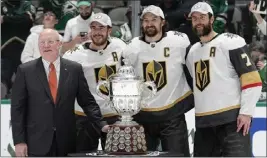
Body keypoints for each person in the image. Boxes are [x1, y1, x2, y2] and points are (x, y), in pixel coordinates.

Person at [11, 29, 106, 157]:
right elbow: (17, 109)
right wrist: (19, 142)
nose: (45, 45)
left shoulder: (74, 69)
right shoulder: (25, 71)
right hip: (35, 143)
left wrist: (102, 125)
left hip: (66, 142)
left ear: (59, 44)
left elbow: (87, 102)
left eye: (50, 42)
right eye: (42, 42)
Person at [185, 2, 262, 156]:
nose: (198, 21)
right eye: (194, 18)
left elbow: (252, 80)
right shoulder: (192, 52)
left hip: (232, 122)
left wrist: (246, 112)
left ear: (211, 19)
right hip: (203, 124)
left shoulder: (230, 42)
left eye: (202, 17)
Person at [122, 5, 194, 156]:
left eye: (154, 20)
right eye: (146, 20)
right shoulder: (132, 47)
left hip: (172, 115)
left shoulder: (179, 41)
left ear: (162, 22)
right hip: (143, 116)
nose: (149, 23)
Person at [63, 12, 126, 152]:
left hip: (113, 114)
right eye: (94, 28)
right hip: (84, 115)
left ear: (109, 30)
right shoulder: (75, 54)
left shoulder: (119, 46)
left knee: (116, 155)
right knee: (82, 154)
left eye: (101, 28)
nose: (97, 32)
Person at [1, 0, 35, 98]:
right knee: (3, 82)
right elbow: (24, 19)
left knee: (26, 80)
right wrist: (20, 19)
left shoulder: (27, 4)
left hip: (24, 50)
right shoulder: (1, 5)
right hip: (5, 49)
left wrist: (5, 19)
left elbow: (28, 20)